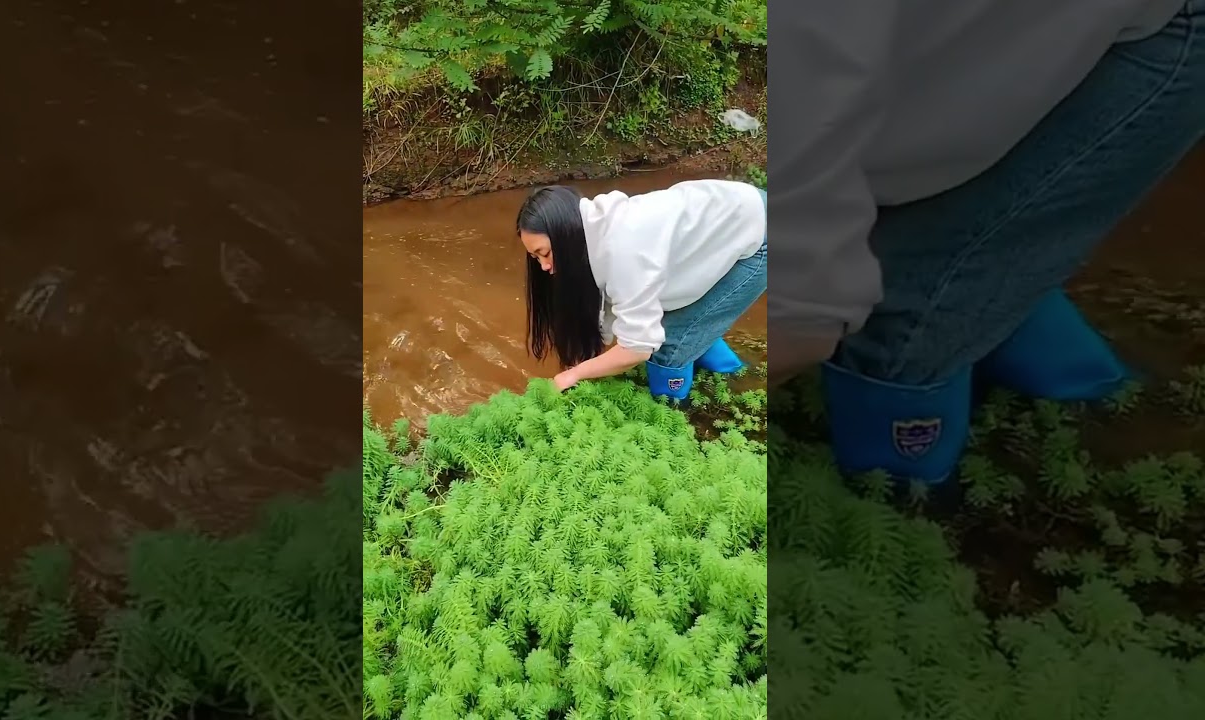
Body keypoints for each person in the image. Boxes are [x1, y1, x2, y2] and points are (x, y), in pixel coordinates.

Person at [769, 0, 1205, 484]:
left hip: (1160, 20)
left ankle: (906, 494)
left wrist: (799, 308)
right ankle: (1087, 396)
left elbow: (802, 313)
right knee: (975, 234)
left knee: (911, 298)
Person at [515, 179, 767, 401]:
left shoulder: (622, 250)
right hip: (736, 212)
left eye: (545, 253)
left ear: (563, 235)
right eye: (536, 258)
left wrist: (574, 375)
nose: (545, 266)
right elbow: (611, 305)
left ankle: (679, 413)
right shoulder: (589, 228)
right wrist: (586, 361)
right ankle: (735, 376)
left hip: (759, 236)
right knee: (687, 321)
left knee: (670, 345)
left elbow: (638, 347)